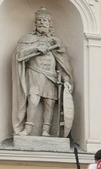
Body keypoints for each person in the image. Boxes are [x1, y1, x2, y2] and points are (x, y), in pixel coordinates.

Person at [12, 7, 74, 137]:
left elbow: (62, 64)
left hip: (51, 76)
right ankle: (28, 129)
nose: (41, 22)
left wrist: (66, 79)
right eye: (39, 20)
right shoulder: (27, 38)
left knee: (49, 103)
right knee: (33, 100)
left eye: (45, 20)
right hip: (34, 73)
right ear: (35, 24)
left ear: (50, 24)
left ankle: (46, 131)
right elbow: (19, 55)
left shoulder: (55, 42)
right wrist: (36, 48)